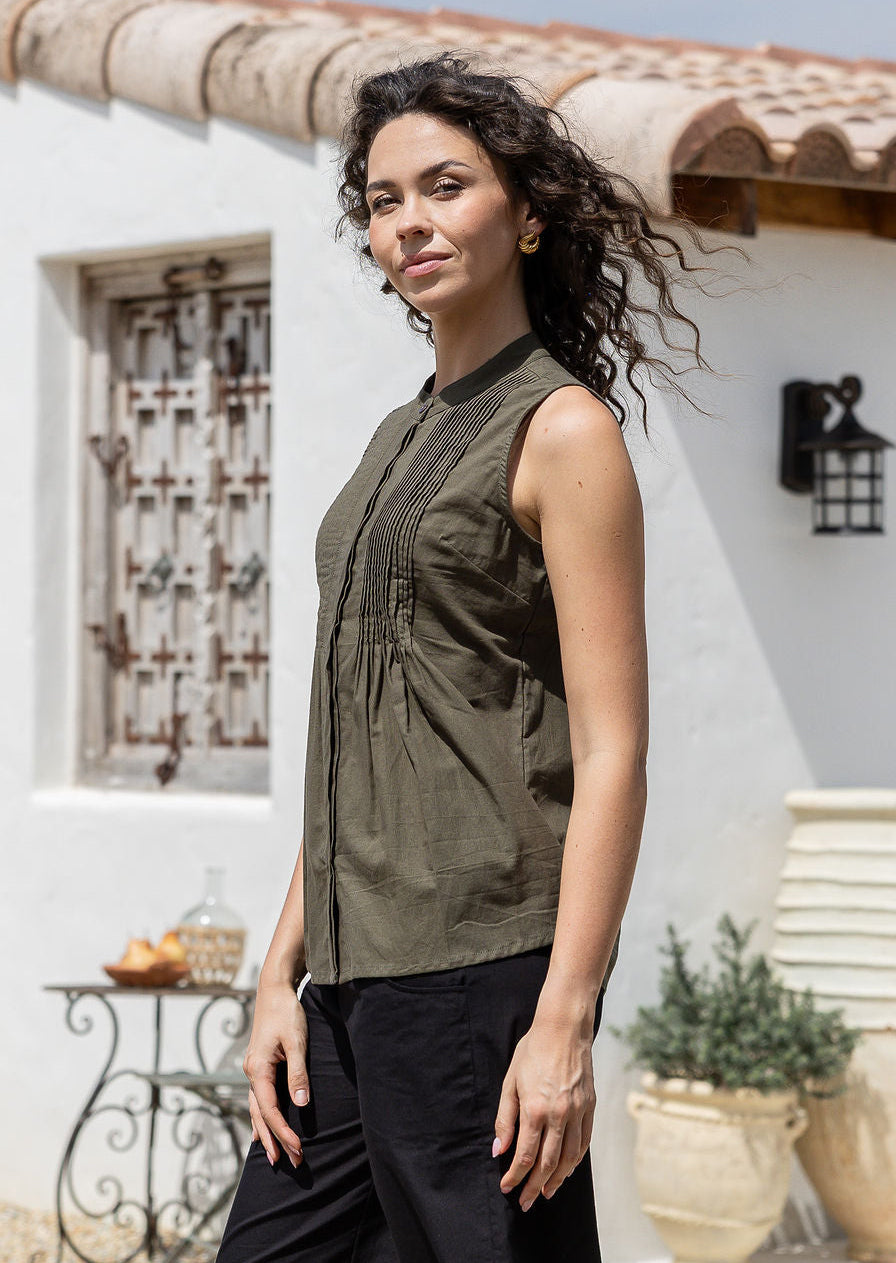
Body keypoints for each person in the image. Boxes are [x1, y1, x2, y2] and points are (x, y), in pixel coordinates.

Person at [216, 49, 720, 1263]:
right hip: (346, 984)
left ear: (528, 213)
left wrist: (561, 1021)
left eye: (444, 186)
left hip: (476, 977)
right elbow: (366, 724)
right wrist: (280, 969)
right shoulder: (400, 432)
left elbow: (611, 751)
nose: (409, 224)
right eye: (384, 201)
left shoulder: (559, 429)